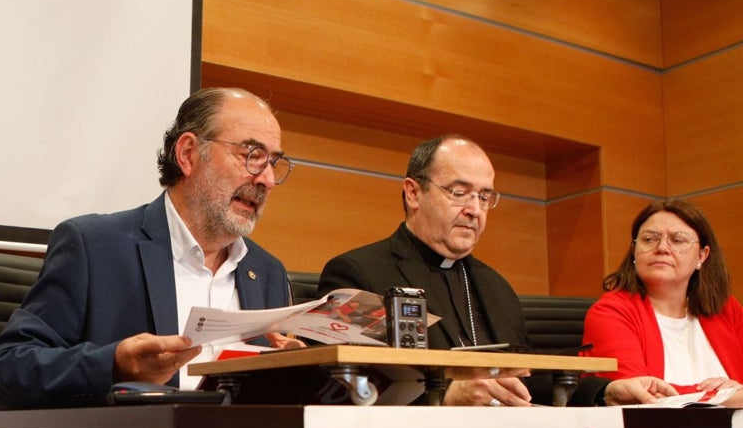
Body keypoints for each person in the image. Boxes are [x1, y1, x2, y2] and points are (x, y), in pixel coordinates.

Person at [0, 87, 297, 410]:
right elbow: (6, 371)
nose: (268, 180)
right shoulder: (94, 246)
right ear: (188, 154)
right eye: (252, 156)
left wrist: (300, 371)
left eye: (274, 162)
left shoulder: (267, 271)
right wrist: (113, 365)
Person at [317, 135, 677, 407]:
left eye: (485, 196)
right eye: (460, 193)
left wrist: (607, 390)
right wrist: (447, 397)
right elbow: (342, 391)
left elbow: (527, 380)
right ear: (414, 193)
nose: (475, 209)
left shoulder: (496, 288)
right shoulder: (358, 274)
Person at [582, 199, 743, 400]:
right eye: (649, 239)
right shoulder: (610, 312)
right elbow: (637, 392)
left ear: (702, 255)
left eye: (678, 240)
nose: (662, 248)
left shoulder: (726, 309)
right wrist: (725, 395)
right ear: (634, 251)